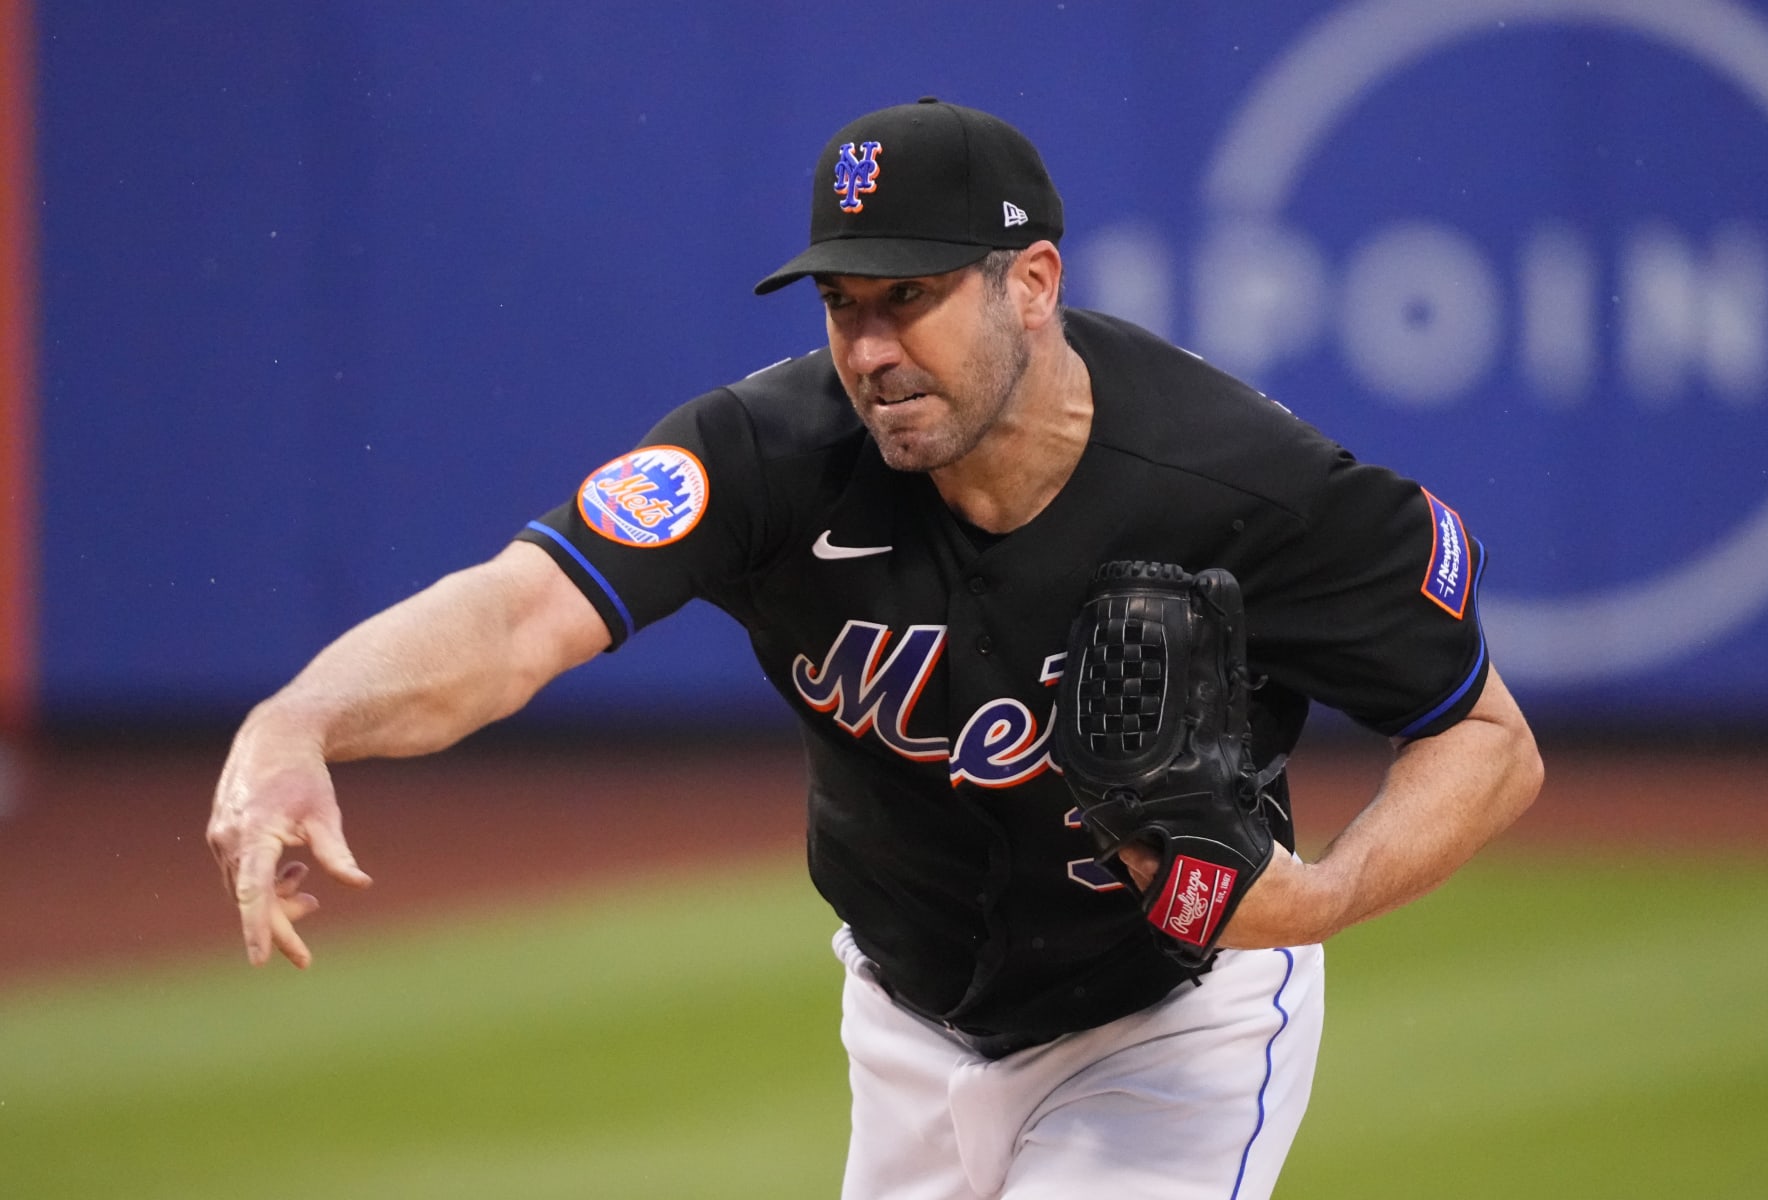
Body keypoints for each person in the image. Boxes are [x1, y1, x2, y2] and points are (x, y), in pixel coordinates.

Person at [208, 98, 1542, 1199]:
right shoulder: (769, 452)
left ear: (1032, 285)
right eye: (843, 303)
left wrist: (1313, 904)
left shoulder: (1243, 486)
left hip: (1170, 1019)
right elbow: (515, 616)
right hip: (902, 1010)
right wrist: (300, 722)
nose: (871, 348)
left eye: (910, 296)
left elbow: (1486, 739)